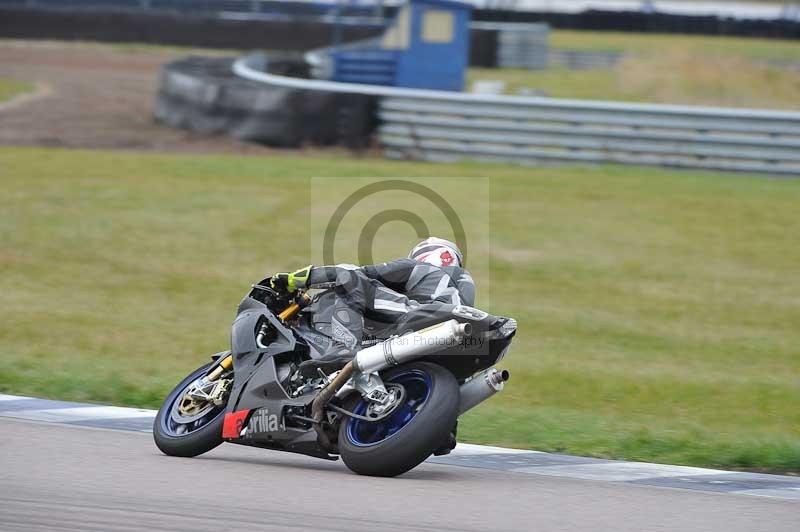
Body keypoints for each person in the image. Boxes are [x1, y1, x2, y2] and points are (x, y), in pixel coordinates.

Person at [270, 237, 475, 376]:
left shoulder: (419, 267)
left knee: (348, 275)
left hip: (421, 314)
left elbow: (357, 274)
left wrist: (293, 280)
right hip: (453, 338)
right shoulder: (464, 284)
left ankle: (343, 348)